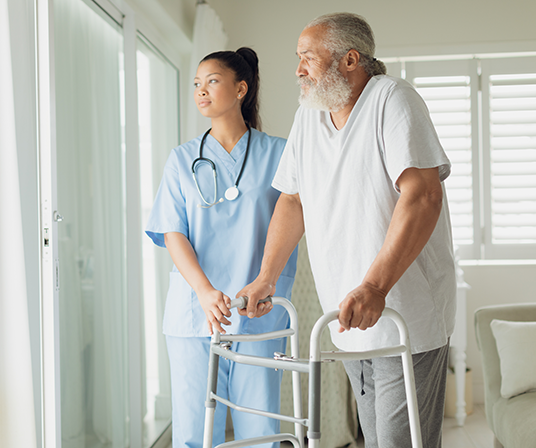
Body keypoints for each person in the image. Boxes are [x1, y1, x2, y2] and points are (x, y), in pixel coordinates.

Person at [238, 13, 456, 448]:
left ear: (350, 59)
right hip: (346, 316)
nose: (298, 69)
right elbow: (293, 200)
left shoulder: (392, 100)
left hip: (403, 316)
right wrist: (265, 277)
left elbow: (422, 196)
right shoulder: (309, 116)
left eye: (307, 58)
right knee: (373, 440)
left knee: (398, 443)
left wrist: (375, 285)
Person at [145, 47, 298, 448]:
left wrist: (264, 280)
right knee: (194, 432)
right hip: (195, 313)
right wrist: (203, 290)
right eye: (197, 83)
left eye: (212, 81)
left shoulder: (280, 154)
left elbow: (297, 219)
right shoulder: (181, 160)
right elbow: (172, 232)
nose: (201, 91)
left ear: (241, 88)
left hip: (257, 312)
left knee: (260, 432)